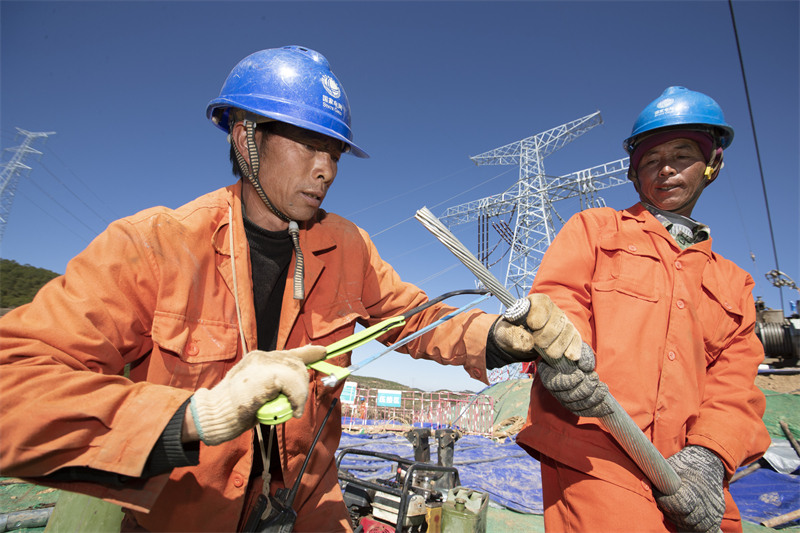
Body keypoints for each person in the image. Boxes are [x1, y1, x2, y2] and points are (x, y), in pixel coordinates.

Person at [0, 46, 544, 532]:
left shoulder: (347, 246)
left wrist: (499, 336)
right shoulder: (153, 246)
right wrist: (197, 415)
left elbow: (415, 317)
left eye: (333, 151)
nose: (326, 168)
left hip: (309, 503)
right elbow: (13, 388)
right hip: (190, 513)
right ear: (246, 137)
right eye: (309, 144)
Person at [496, 86, 771, 532]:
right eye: (650, 159)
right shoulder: (596, 230)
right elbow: (559, 303)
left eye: (682, 154)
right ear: (633, 171)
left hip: (690, 471)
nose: (665, 169)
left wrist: (709, 456)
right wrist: (564, 360)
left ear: (712, 164)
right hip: (595, 449)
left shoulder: (734, 283)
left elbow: (735, 383)